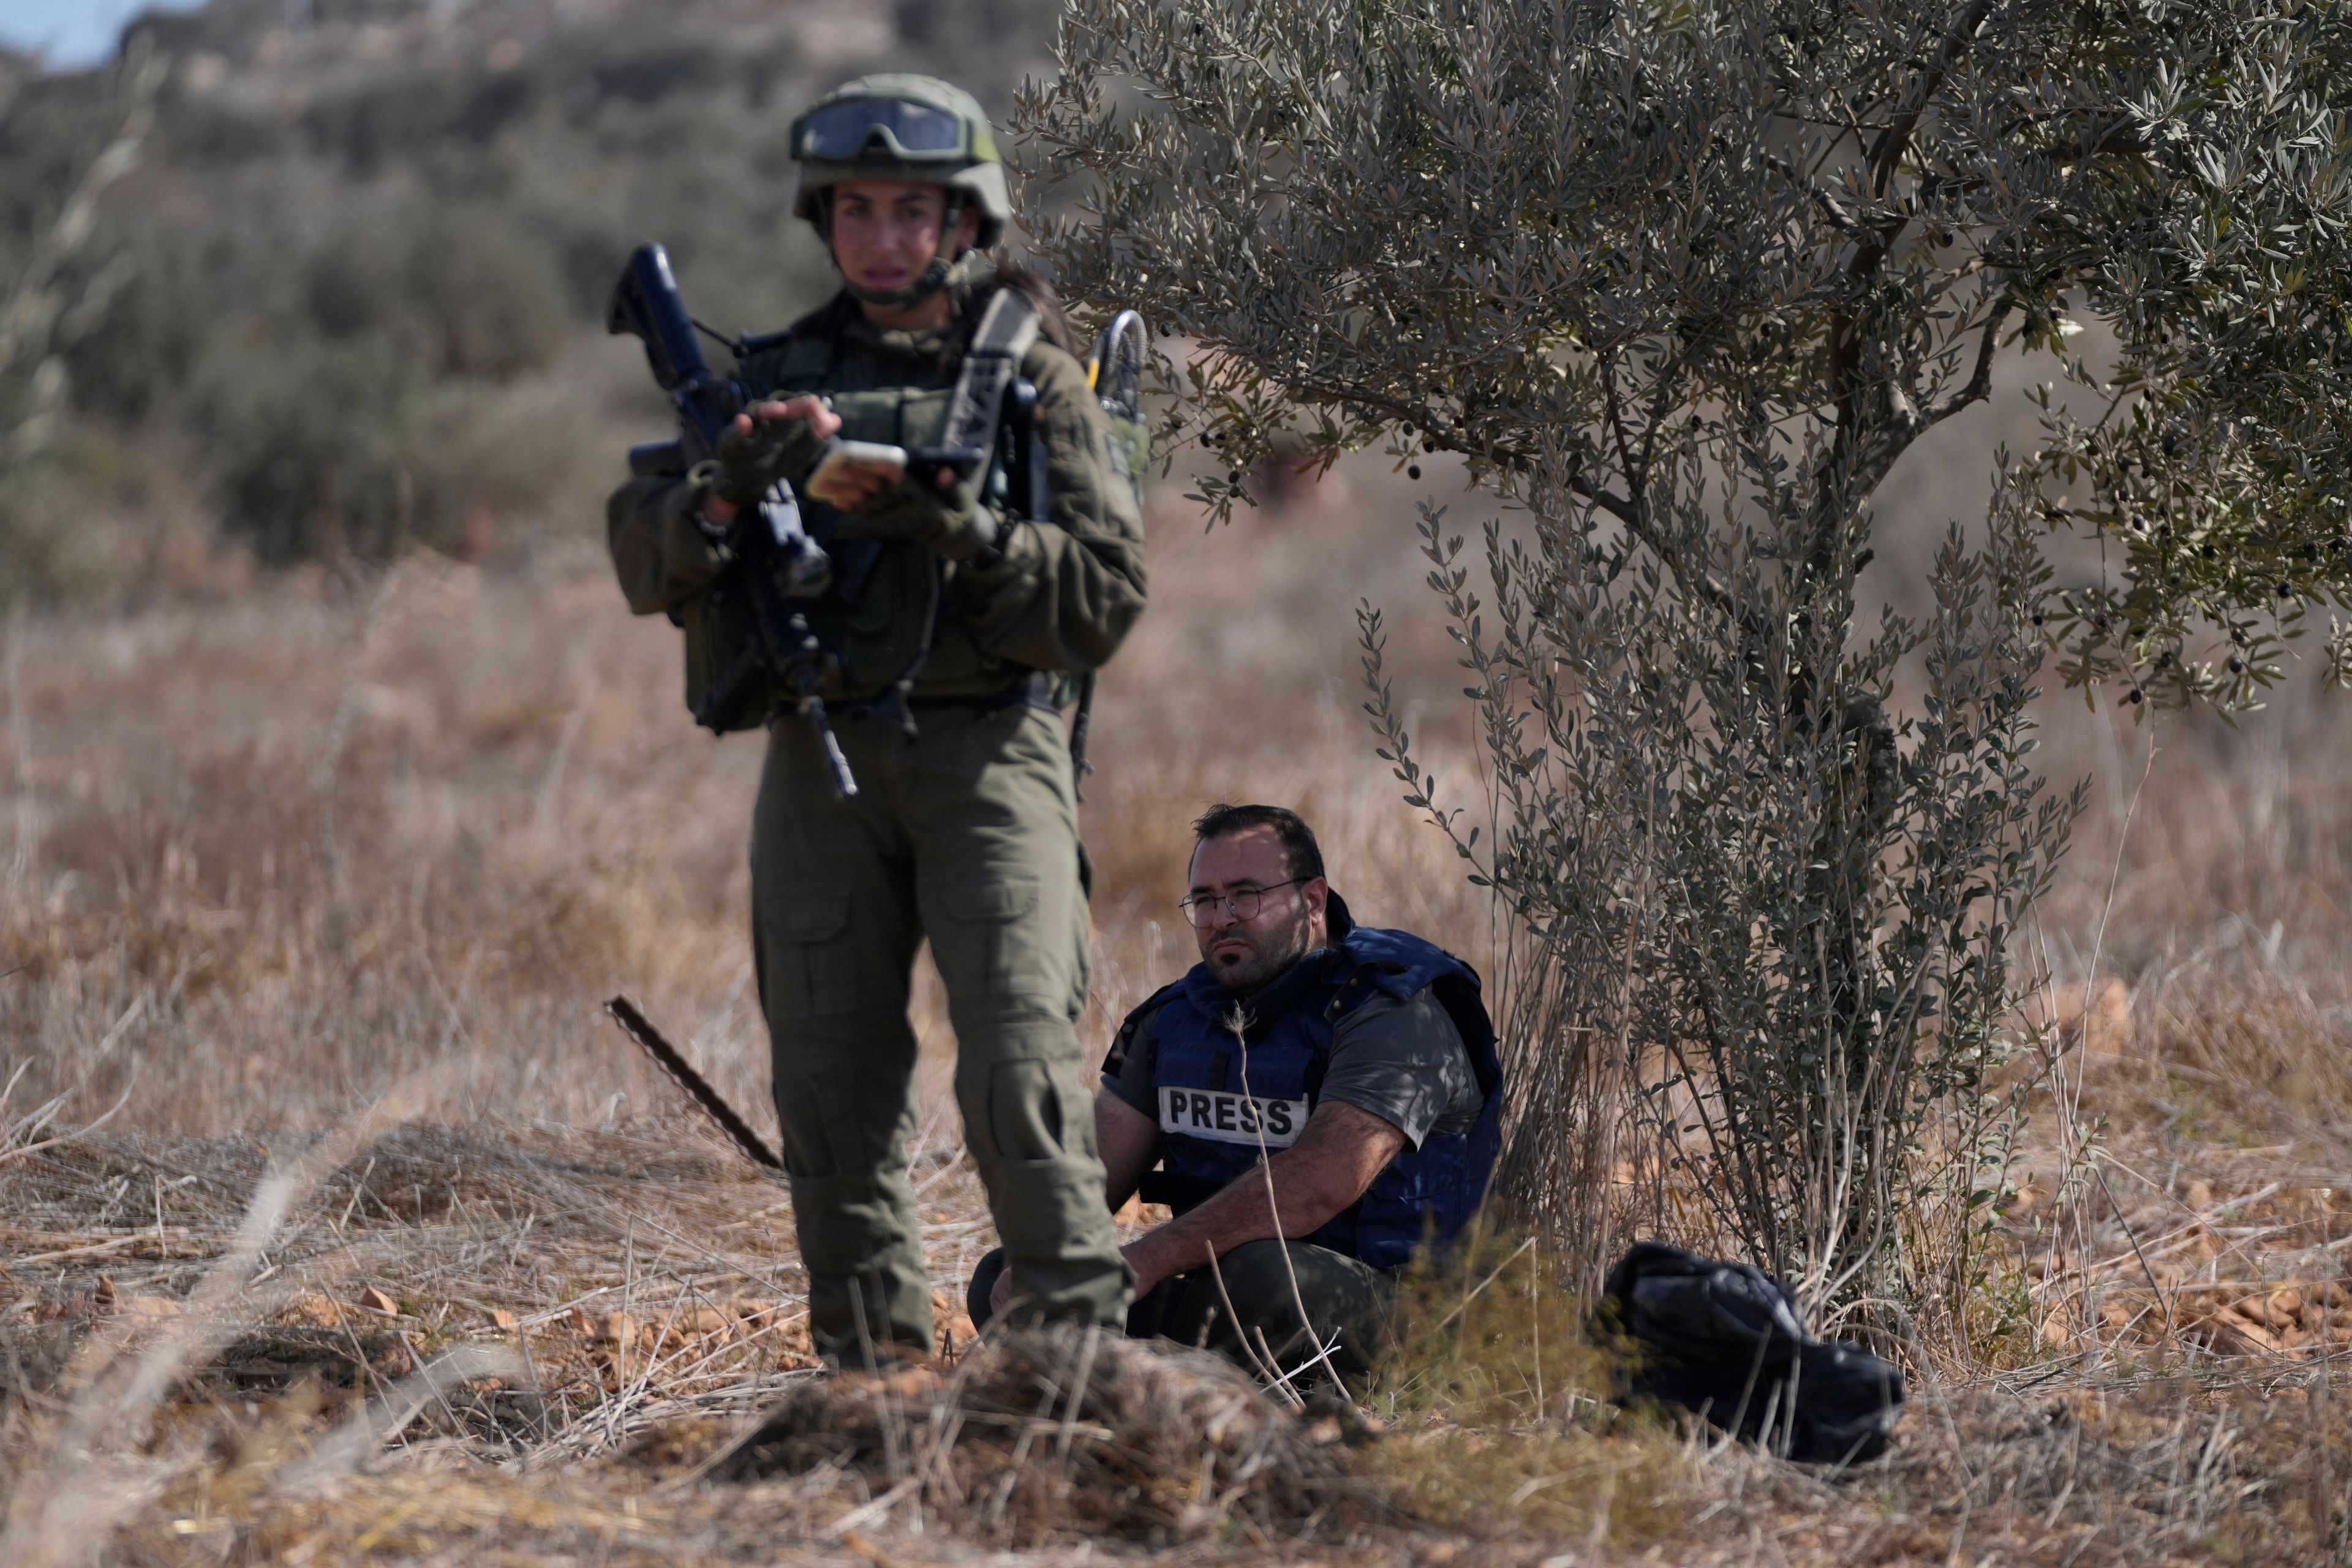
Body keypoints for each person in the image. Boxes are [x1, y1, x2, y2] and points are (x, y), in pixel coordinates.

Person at [605, 75, 1147, 1364]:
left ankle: (1078, 1380)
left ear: (964, 222)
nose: (884, 237)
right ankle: (873, 1389)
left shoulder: (1027, 378)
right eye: (857, 209)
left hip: (994, 749)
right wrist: (728, 495)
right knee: (831, 1087)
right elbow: (645, 563)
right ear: (824, 219)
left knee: (1017, 1069)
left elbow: (1104, 599)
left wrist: (960, 527)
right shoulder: (778, 379)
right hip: (820, 756)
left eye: (914, 211)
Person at [966, 804, 1503, 1382]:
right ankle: (1151, 1382)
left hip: (1391, 1308)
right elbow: (1092, 1173)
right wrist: (1046, 1255)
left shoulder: (1390, 1010)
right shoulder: (1175, 1018)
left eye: (1246, 895)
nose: (1222, 917)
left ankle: (1149, 1367)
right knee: (1006, 1277)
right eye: (1204, 900)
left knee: (1260, 1280)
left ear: (1313, 900)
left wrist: (1140, 1264)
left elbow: (1321, 1182)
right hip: (1218, 1293)